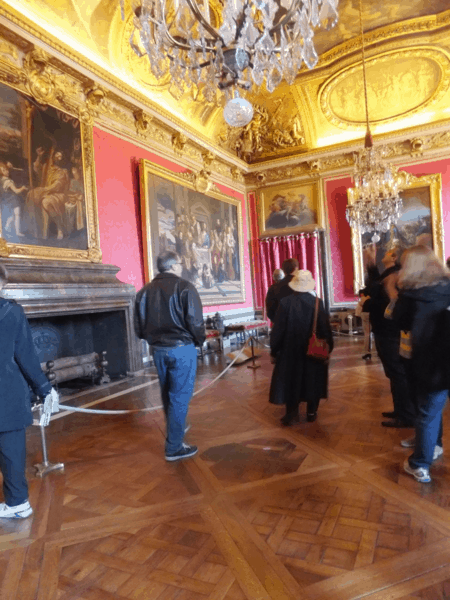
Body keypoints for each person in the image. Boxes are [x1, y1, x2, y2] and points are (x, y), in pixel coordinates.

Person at [134, 251, 206, 462]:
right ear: (174, 266)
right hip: (181, 348)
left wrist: (152, 340)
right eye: (181, 263)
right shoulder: (185, 287)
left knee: (167, 394)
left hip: (157, 349)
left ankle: (178, 427)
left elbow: (138, 327)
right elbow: (195, 322)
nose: (182, 267)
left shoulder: (144, 291)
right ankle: (174, 447)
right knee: (180, 396)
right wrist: (199, 341)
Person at [391, 246, 450, 483]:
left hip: (428, 362)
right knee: (431, 411)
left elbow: (396, 322)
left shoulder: (409, 297)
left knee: (428, 412)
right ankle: (434, 446)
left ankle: (420, 463)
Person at [0, 264, 54, 518]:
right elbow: (26, 357)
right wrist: (44, 389)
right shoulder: (11, 312)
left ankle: (18, 502)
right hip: (7, 393)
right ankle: (18, 501)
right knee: (11, 451)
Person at [269, 270, 334, 425]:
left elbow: (278, 330)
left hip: (290, 350)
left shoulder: (285, 303)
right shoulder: (318, 302)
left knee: (291, 380)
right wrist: (328, 347)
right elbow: (326, 330)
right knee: (313, 379)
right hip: (313, 350)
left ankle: (291, 413)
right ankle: (312, 411)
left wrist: (274, 349)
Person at [364, 245, 416, 428]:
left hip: (390, 331)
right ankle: (400, 410)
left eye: (387, 252)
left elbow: (391, 301)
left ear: (394, 257)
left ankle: (407, 415)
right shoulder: (388, 274)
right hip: (383, 330)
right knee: (393, 374)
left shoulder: (395, 274)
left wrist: (370, 302)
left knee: (398, 374)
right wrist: (370, 263)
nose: (384, 253)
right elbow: (373, 288)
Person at [265, 258, 299, 322]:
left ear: (283, 270)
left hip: (282, 329)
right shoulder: (305, 287)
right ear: (296, 269)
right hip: (303, 328)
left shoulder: (273, 289)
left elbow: (270, 313)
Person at [355, 288, 372, 360]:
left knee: (367, 334)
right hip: (374, 314)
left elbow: (359, 309)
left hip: (366, 314)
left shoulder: (363, 299)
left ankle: (367, 352)